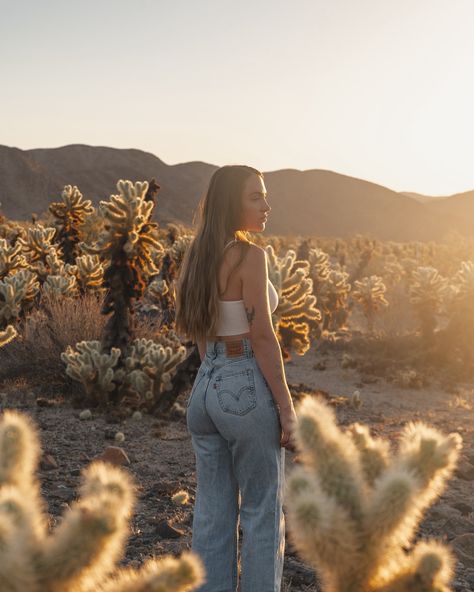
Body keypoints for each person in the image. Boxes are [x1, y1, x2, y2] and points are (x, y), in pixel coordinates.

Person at [175, 165, 297, 592]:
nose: (266, 206)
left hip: (205, 389)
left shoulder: (198, 255)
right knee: (263, 511)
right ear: (232, 202)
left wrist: (217, 376)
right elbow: (263, 337)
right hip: (243, 382)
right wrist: (286, 408)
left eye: (264, 196)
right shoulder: (249, 256)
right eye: (255, 197)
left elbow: (201, 333)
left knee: (212, 512)